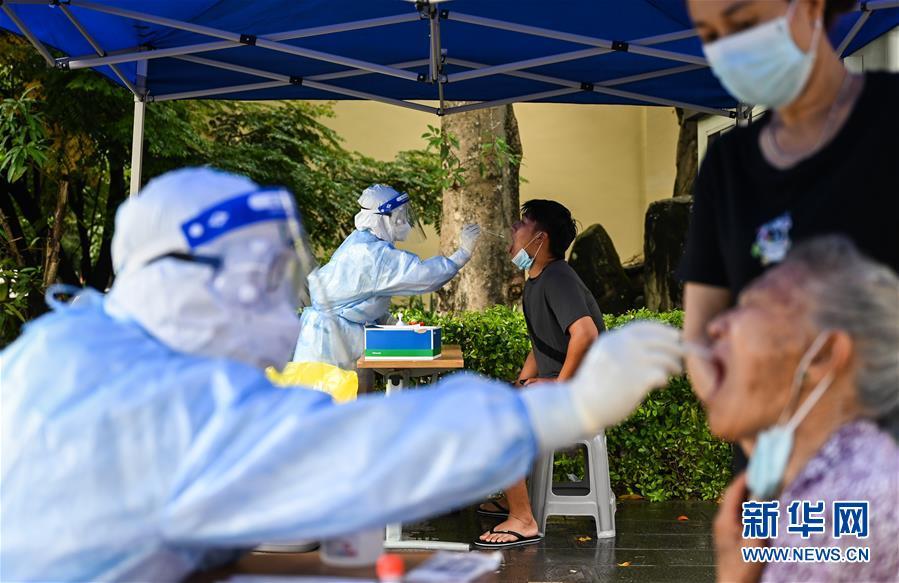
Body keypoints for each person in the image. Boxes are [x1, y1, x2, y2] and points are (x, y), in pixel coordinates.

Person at [0, 168, 685, 582]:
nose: (275, 304)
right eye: (260, 279)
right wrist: (557, 406)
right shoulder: (127, 391)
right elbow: (350, 448)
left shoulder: (93, 351)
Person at [680, 0, 899, 453]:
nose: (730, 47)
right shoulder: (727, 164)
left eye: (743, 22)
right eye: (711, 35)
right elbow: (699, 331)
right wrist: (743, 422)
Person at [699, 236, 898, 582]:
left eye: (751, 307)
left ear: (823, 354)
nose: (716, 327)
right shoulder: (844, 475)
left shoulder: (846, 502)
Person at [476, 200, 605, 549]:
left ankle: (523, 519)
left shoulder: (558, 278)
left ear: (540, 238)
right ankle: (513, 498)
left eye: (522, 224)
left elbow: (585, 333)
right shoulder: (539, 280)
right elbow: (542, 345)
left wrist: (559, 386)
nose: (513, 229)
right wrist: (520, 383)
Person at [292, 184, 481, 370]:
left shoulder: (361, 242)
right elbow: (424, 276)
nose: (404, 222)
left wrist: (389, 322)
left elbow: (357, 300)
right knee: (336, 391)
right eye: (399, 217)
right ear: (383, 219)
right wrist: (462, 253)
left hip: (332, 339)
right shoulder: (372, 254)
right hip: (329, 348)